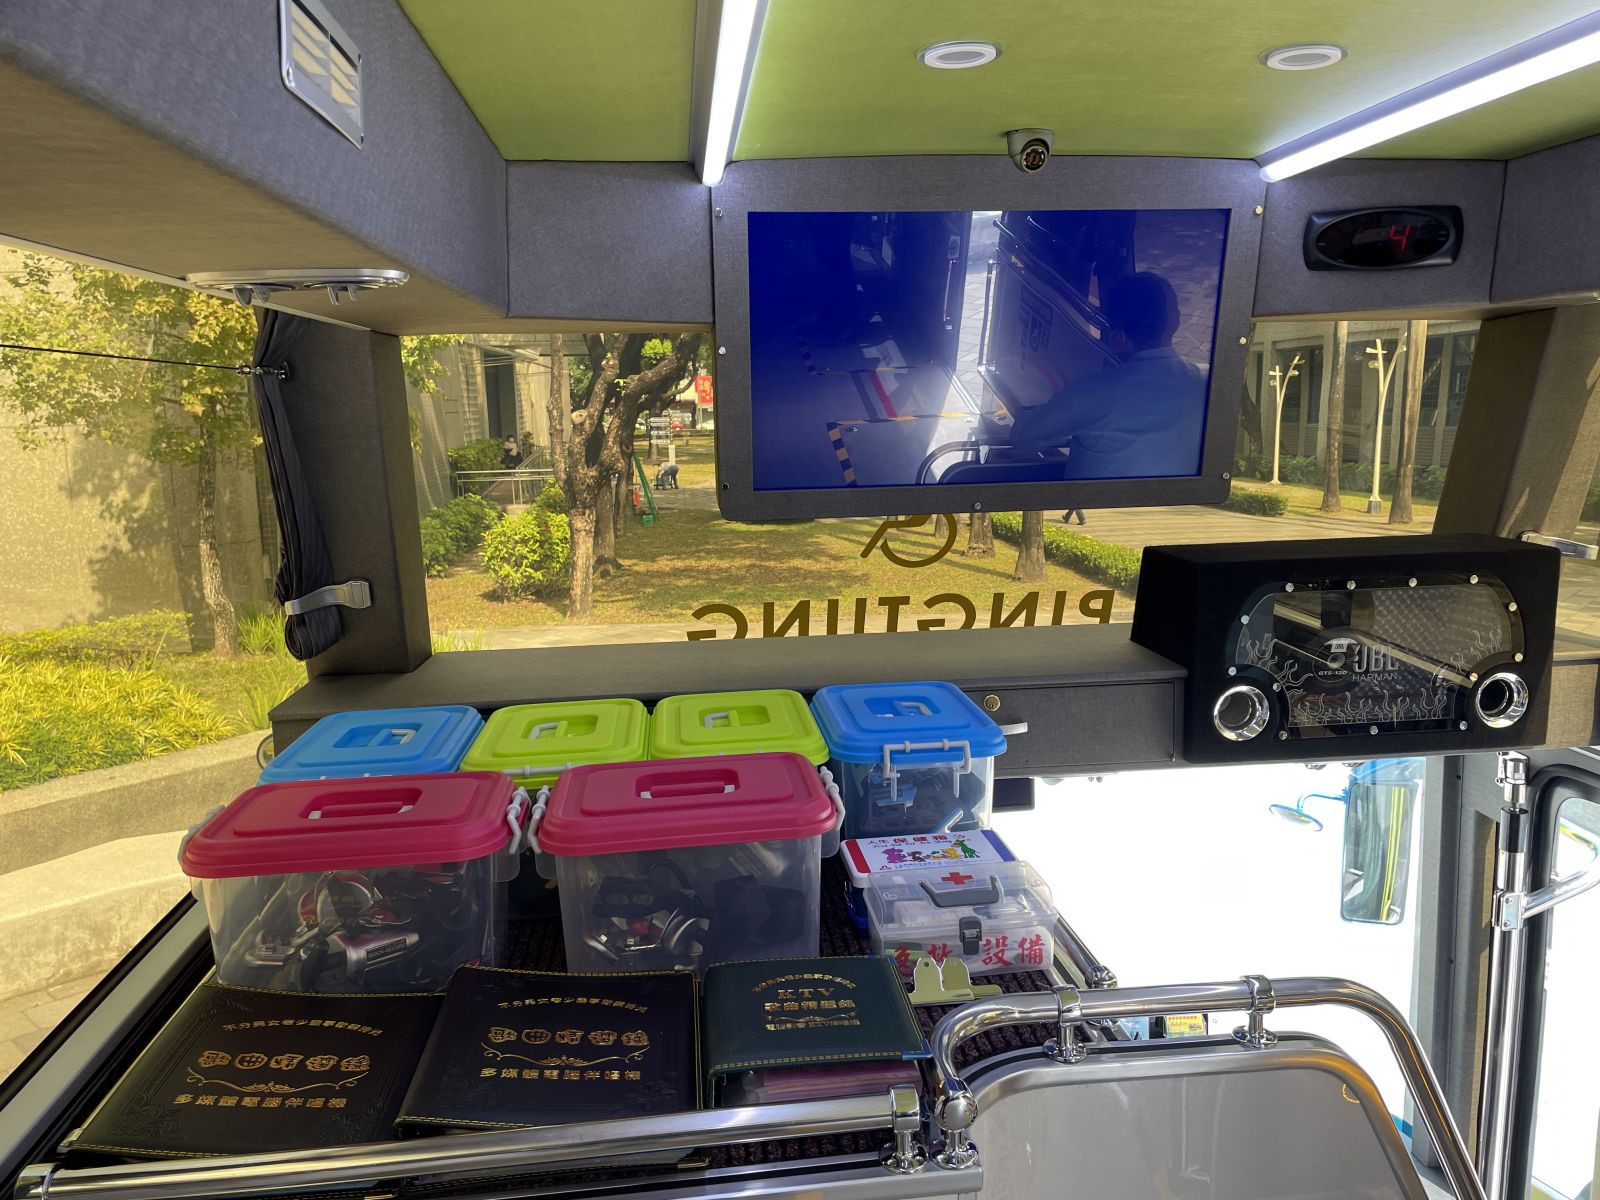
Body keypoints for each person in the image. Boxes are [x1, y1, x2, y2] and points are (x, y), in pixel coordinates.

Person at [1007, 272, 1207, 479]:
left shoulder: (1093, 393)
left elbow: (1022, 438)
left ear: (1118, 339)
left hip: (1099, 501)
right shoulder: (1207, 384)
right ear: (1175, 323)